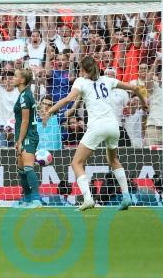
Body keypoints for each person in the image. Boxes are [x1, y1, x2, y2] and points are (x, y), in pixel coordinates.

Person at [44, 56, 148, 211]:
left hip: (97, 126)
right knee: (113, 160)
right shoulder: (107, 80)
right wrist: (144, 104)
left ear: (83, 70)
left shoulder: (81, 81)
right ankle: (126, 196)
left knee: (76, 163)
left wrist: (49, 112)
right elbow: (135, 88)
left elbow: (67, 99)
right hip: (113, 126)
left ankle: (87, 198)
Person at [12, 69, 42, 208]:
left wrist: (19, 140)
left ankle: (36, 200)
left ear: (22, 80)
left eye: (15, 76)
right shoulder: (24, 94)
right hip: (24, 135)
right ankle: (27, 198)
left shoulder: (25, 96)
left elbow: (25, 121)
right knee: (21, 169)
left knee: (28, 168)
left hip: (28, 136)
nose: (12, 78)